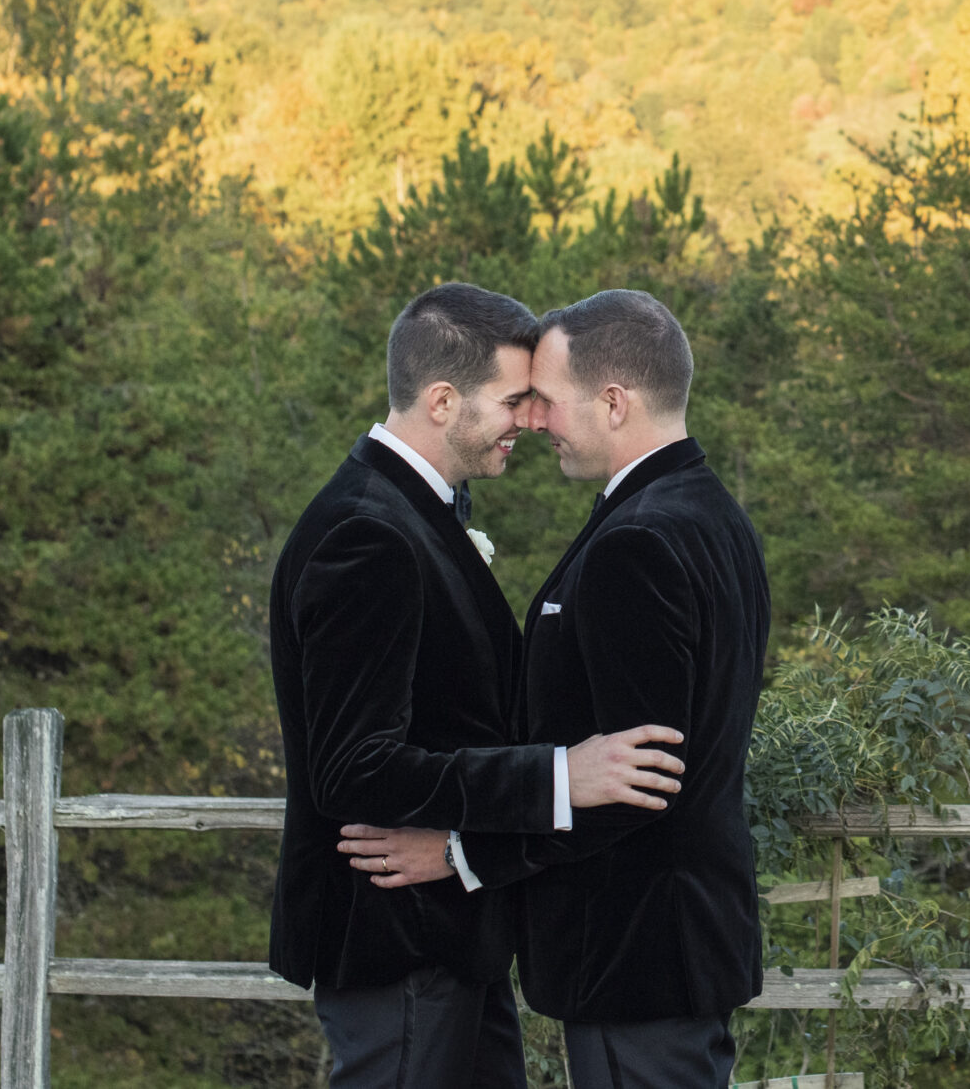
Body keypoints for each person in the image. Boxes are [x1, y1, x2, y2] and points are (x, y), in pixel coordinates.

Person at [341, 288, 771, 1089]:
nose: (535, 421)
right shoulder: (712, 516)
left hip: (632, 944)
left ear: (613, 403)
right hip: (677, 937)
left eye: (548, 399)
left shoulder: (637, 543)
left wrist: (462, 854)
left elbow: (634, 780)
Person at [269, 282, 689, 1089]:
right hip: (395, 937)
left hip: (450, 936)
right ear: (440, 400)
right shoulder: (367, 534)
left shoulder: (407, 515)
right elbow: (353, 768)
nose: (530, 421)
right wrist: (559, 775)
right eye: (512, 400)